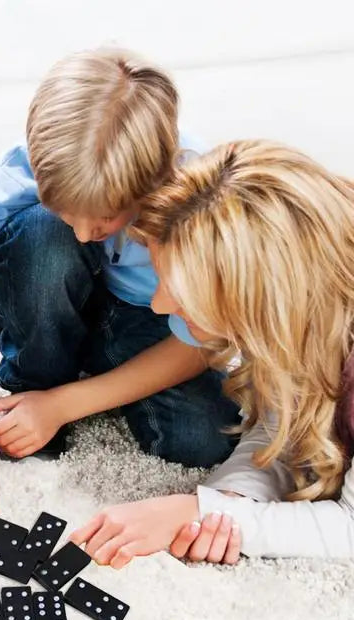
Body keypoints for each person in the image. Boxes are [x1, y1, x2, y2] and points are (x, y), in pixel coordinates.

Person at [0, 48, 239, 516]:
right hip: (39, 286)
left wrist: (63, 404)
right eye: (68, 211)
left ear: (152, 184)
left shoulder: (199, 201)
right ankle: (35, 380)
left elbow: (199, 343)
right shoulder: (19, 172)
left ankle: (73, 381)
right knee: (46, 237)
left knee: (204, 441)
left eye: (103, 219)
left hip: (149, 319)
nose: (84, 233)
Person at [70, 140, 354, 566]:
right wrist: (227, 501)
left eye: (179, 291)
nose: (159, 305)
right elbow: (277, 431)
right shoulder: (296, 325)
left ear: (263, 298)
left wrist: (203, 511)